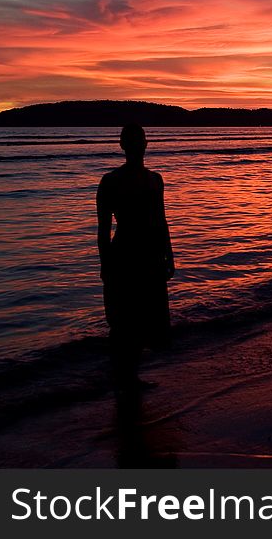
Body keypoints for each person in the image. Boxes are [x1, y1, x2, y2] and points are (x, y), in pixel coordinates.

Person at [97, 124, 175, 391]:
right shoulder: (110, 182)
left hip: (150, 255)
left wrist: (169, 254)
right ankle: (123, 378)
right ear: (122, 145)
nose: (135, 144)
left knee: (143, 319)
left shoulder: (155, 180)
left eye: (139, 139)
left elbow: (161, 220)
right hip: (124, 255)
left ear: (145, 144)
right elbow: (103, 228)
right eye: (130, 140)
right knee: (122, 320)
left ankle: (130, 378)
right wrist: (105, 264)